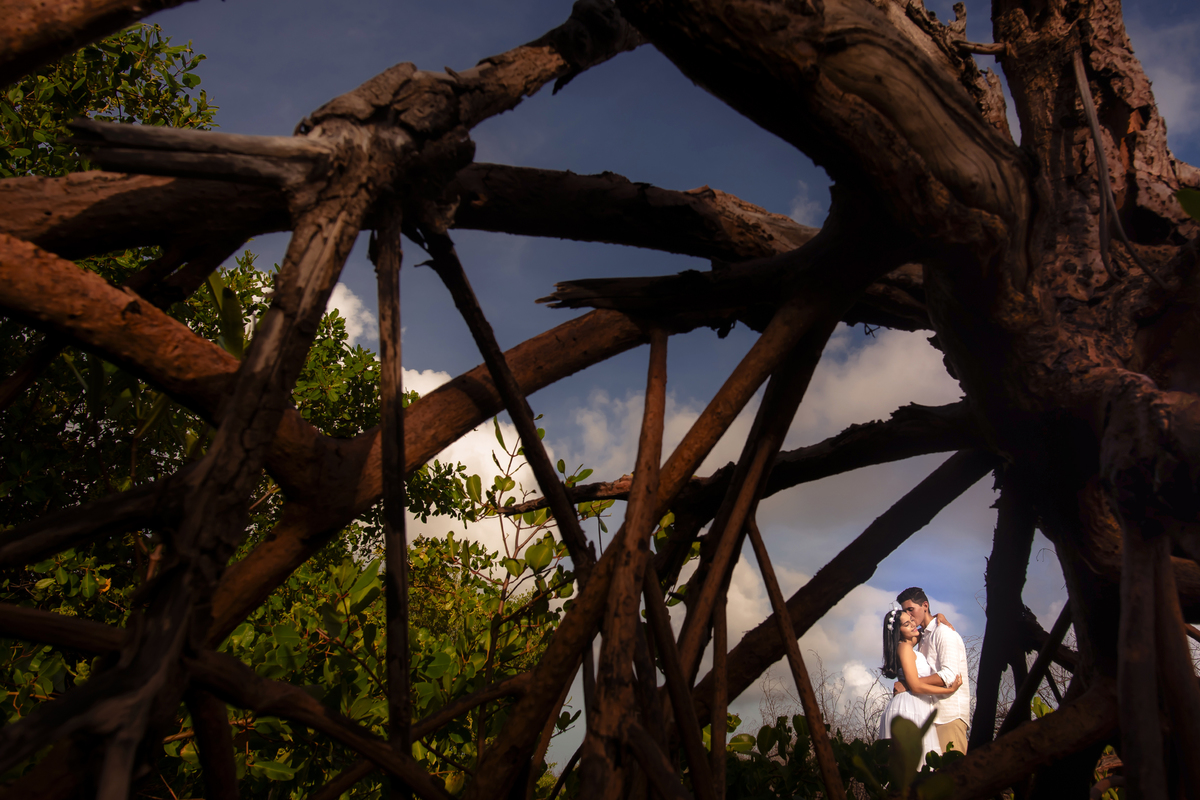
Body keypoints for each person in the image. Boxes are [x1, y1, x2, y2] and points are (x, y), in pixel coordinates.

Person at [878, 608, 963, 768]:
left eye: (911, 621)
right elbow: (916, 686)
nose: (912, 625)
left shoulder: (909, 647)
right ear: (898, 632)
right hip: (909, 707)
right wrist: (949, 690)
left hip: (917, 705)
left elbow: (926, 620)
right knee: (911, 765)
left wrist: (939, 616)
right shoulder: (904, 648)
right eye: (906, 624)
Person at [898, 587, 971, 754]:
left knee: (956, 774)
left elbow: (949, 676)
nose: (909, 615)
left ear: (925, 605)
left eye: (911, 609)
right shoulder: (921, 637)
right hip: (929, 717)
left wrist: (909, 684)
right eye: (905, 612)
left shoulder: (944, 633)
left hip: (949, 715)